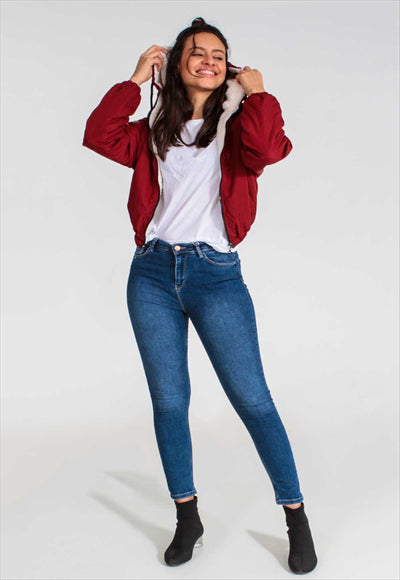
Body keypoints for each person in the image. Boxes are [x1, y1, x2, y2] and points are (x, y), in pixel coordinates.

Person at [82, 16, 318, 575]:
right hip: (152, 274)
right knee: (169, 402)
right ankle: (187, 516)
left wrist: (258, 93)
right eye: (196, 52)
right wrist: (135, 79)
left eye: (217, 54)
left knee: (253, 401)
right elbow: (99, 134)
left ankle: (296, 516)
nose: (208, 61)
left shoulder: (238, 124)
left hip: (215, 275)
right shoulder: (154, 130)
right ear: (176, 63)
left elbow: (269, 150)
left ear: (228, 66)